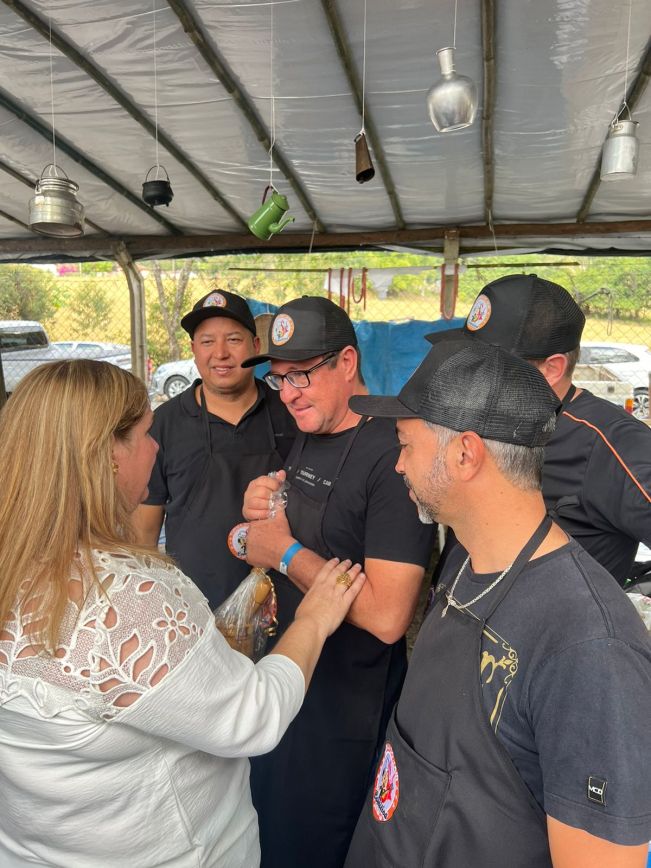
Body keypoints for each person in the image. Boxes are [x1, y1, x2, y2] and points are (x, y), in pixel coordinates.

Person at [0, 359, 365, 868]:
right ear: (107, 455)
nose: (156, 448)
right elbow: (251, 716)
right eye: (146, 435)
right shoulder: (128, 599)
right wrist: (316, 616)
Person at [344, 337, 651, 868]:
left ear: (465, 454)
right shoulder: (469, 561)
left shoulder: (588, 647)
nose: (398, 465)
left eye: (406, 445)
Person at [239, 296, 435, 868]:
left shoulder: (392, 455)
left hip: (346, 711)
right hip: (287, 685)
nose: (289, 393)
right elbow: (281, 532)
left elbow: (388, 616)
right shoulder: (308, 430)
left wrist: (285, 553)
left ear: (348, 361)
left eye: (301, 374)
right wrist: (254, 521)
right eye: (279, 379)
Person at [428, 273, 651, 585]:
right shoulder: (483, 419)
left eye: (492, 363)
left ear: (552, 369)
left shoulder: (611, 441)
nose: (474, 373)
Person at [133, 289, 296, 608]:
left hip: (284, 601)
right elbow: (143, 537)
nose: (220, 353)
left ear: (256, 346)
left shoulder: (292, 412)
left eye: (233, 340)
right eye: (207, 342)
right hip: (193, 608)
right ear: (193, 350)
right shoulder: (163, 425)